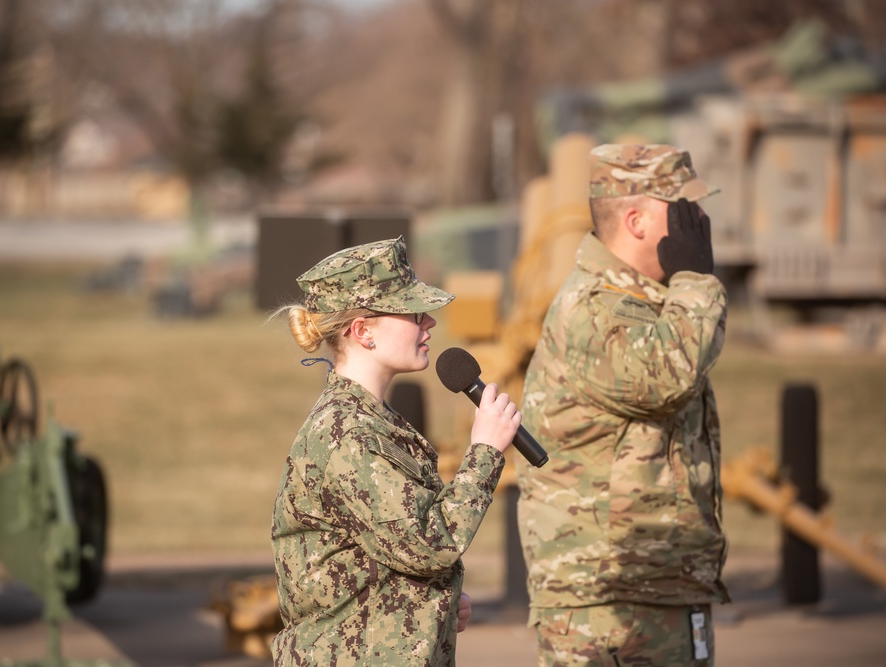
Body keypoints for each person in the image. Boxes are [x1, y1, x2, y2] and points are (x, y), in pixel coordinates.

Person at [516, 144, 730, 666]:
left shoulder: (650, 302)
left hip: (656, 588)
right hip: (609, 602)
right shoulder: (596, 308)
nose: (697, 221)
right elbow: (665, 377)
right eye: (681, 209)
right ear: (635, 221)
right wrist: (697, 280)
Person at [270, 236, 522, 666]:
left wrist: (436, 603)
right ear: (363, 331)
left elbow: (388, 550)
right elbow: (428, 544)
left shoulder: (373, 421)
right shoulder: (346, 432)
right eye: (411, 312)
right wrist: (484, 452)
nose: (429, 324)